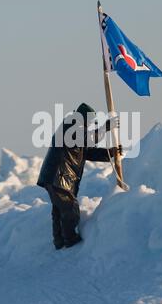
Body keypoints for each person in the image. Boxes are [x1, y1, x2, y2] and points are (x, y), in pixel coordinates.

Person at [37, 103, 122, 249]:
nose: (90, 125)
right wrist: (104, 128)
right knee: (70, 209)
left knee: (59, 210)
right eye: (89, 122)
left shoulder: (77, 132)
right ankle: (70, 241)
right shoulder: (70, 125)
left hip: (57, 178)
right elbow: (87, 139)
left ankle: (60, 242)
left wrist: (111, 152)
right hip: (59, 177)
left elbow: (87, 152)